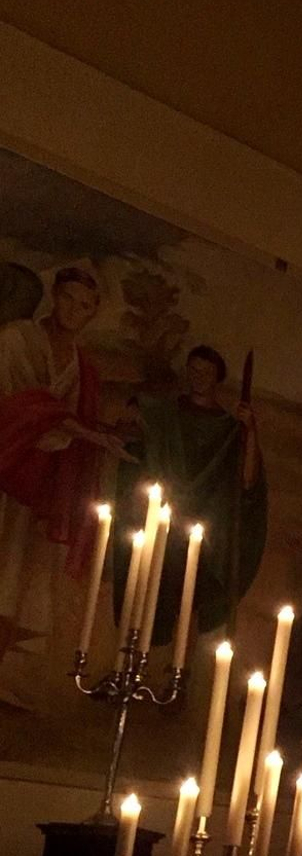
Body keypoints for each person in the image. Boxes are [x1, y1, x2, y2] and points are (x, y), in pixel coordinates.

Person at [0, 267, 128, 685]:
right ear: (55, 296)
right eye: (69, 299)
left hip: (39, 490)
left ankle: (9, 676)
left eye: (85, 306)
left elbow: (73, 421)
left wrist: (101, 433)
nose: (74, 310)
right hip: (6, 468)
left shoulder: (82, 367)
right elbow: (24, 406)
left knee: (18, 582)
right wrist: (84, 431)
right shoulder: (17, 339)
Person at [119, 344, 267, 646]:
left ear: (217, 378)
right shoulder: (167, 413)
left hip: (200, 530)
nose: (198, 377)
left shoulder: (227, 428)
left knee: (189, 600)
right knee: (149, 591)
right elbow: (138, 418)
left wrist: (250, 430)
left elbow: (248, 480)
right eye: (193, 370)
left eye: (206, 372)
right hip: (162, 519)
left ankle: (179, 665)